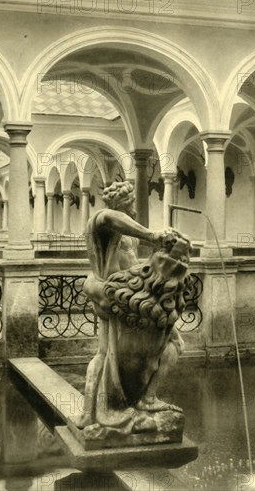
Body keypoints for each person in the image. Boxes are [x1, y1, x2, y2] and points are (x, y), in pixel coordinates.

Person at [77, 181, 188, 436]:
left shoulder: (123, 231)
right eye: (130, 202)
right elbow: (110, 217)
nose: (133, 206)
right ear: (120, 203)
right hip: (117, 295)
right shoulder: (102, 223)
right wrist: (151, 235)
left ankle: (88, 412)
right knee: (174, 344)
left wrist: (161, 245)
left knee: (103, 353)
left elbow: (133, 260)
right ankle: (145, 399)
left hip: (125, 291)